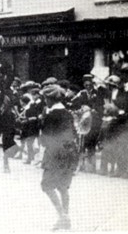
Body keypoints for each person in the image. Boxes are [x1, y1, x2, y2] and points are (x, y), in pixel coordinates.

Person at [39, 84, 79, 231]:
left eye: (45, 98)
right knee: (63, 186)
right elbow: (74, 133)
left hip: (55, 153)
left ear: (50, 99)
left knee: (46, 185)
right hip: (70, 152)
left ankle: (63, 216)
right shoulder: (67, 113)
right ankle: (65, 217)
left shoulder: (51, 116)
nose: (45, 101)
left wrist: (41, 122)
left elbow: (44, 139)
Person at [70, 74, 105, 173]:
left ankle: (91, 165)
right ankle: (81, 164)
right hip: (84, 122)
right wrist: (79, 110)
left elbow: (101, 106)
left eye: (89, 83)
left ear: (92, 83)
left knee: (92, 142)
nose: (87, 85)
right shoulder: (82, 94)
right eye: (85, 83)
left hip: (94, 122)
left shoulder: (98, 93)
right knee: (82, 143)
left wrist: (95, 110)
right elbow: (74, 104)